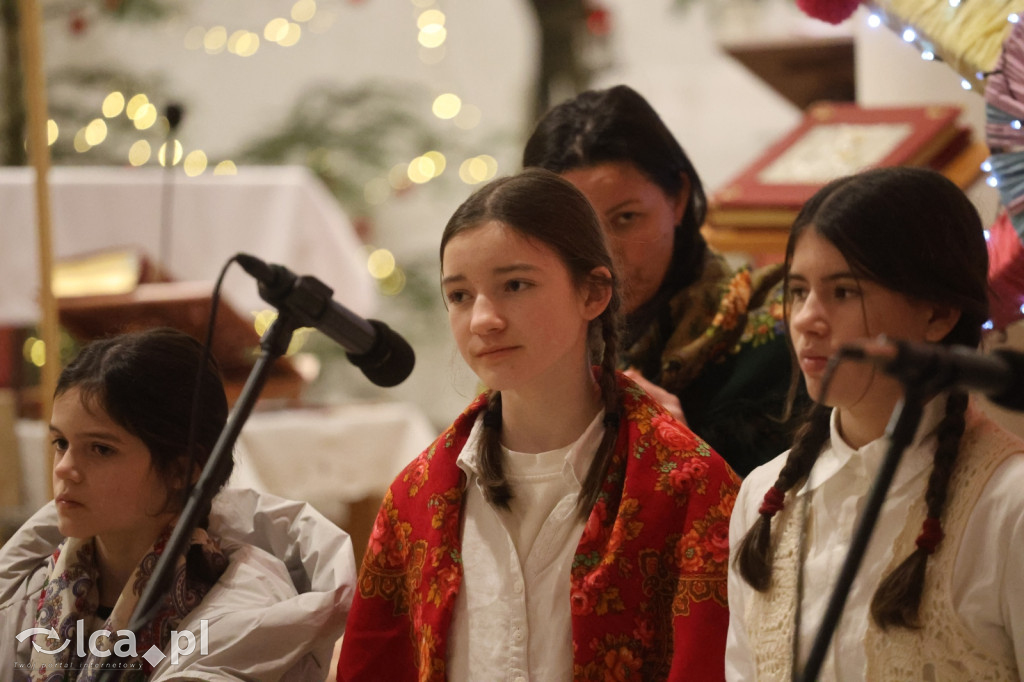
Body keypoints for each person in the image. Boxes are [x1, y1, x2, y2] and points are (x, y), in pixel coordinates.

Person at [337, 168, 738, 681]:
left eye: (515, 285)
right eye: (459, 295)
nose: (483, 318)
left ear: (593, 293)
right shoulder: (416, 498)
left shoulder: (687, 487)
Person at [726, 167, 1024, 680]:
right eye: (798, 291)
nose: (806, 319)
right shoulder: (763, 496)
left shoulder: (1009, 503)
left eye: (843, 292)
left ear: (938, 313)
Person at [0, 327, 356, 681]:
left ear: (182, 470)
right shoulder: (31, 592)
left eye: (101, 449)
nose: (64, 468)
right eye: (61, 443)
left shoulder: (246, 611)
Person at [523, 84, 803, 477]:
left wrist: (686, 457)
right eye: (574, 227)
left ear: (678, 199)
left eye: (626, 219)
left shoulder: (781, 337)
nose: (603, 256)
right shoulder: (534, 344)